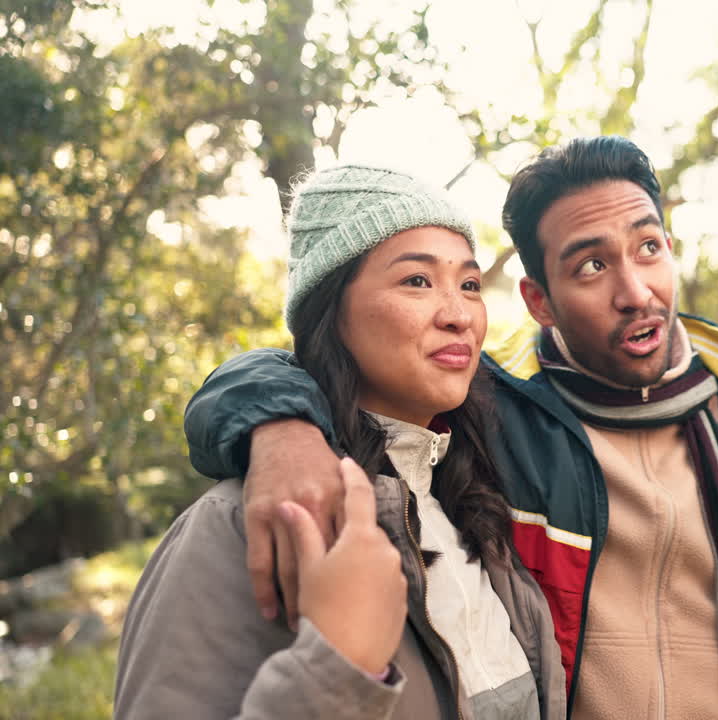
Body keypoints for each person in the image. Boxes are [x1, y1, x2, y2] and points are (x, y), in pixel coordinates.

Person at [183, 137, 718, 720]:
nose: (636, 290)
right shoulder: (492, 412)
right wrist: (280, 428)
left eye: (648, 248)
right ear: (539, 301)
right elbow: (316, 363)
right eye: (590, 267)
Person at [115, 165, 566, 720]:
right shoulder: (243, 522)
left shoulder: (476, 503)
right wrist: (338, 668)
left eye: (469, 285)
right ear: (332, 310)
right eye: (417, 281)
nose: (458, 316)